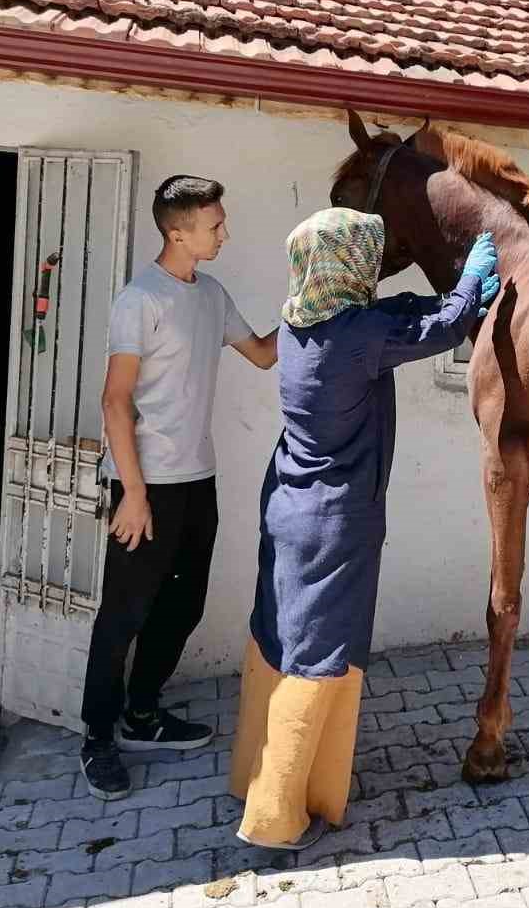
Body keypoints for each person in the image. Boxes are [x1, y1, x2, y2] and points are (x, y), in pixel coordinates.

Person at [229, 208, 499, 850]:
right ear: (350, 265)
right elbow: (441, 325)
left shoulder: (300, 324)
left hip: (288, 506)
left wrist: (449, 296)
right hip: (333, 523)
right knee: (319, 656)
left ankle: (257, 776)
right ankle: (274, 817)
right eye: (368, 256)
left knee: (276, 639)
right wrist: (472, 282)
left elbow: (398, 312)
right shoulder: (359, 335)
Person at [80, 176, 279, 801]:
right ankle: (97, 737)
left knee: (184, 605)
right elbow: (115, 402)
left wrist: (317, 302)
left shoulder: (211, 294)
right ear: (178, 232)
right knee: (123, 615)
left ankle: (142, 714)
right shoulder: (141, 299)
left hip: (198, 480)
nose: (224, 233)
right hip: (146, 488)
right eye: (214, 225)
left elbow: (265, 355)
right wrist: (133, 493)